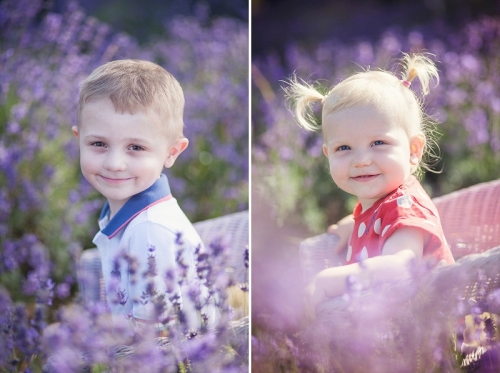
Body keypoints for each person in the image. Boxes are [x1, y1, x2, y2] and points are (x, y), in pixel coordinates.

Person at [285, 53, 455, 318]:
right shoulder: (380, 202)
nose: (362, 160)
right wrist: (353, 224)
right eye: (344, 148)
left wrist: (331, 280)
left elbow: (401, 266)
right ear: (328, 154)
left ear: (413, 150)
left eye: (378, 143)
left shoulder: (406, 207)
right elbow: (381, 225)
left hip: (433, 335)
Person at [72, 59, 207, 331]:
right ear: (79, 140)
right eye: (99, 144)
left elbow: (155, 337)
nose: (114, 163)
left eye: (135, 147)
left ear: (171, 152)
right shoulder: (124, 214)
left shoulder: (148, 231)